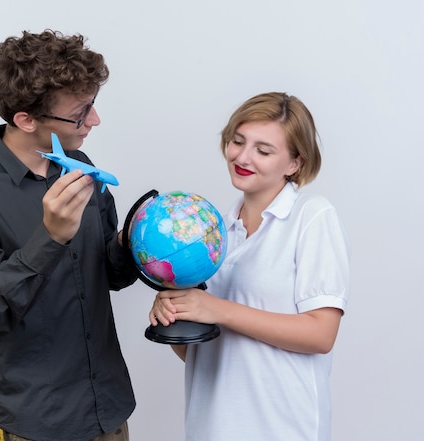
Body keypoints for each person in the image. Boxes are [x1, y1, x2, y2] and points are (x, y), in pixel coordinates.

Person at [0, 30, 137, 441]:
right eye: (81, 112)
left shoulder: (80, 165)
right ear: (26, 120)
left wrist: (129, 241)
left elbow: (111, 276)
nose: (95, 121)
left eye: (93, 105)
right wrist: (50, 237)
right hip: (32, 421)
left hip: (106, 407)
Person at [149, 92, 350, 440]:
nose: (242, 156)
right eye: (237, 141)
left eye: (264, 150)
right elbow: (202, 356)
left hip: (282, 427)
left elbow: (321, 335)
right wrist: (177, 316)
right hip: (210, 426)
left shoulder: (311, 216)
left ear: (294, 163)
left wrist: (216, 309)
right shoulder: (213, 233)